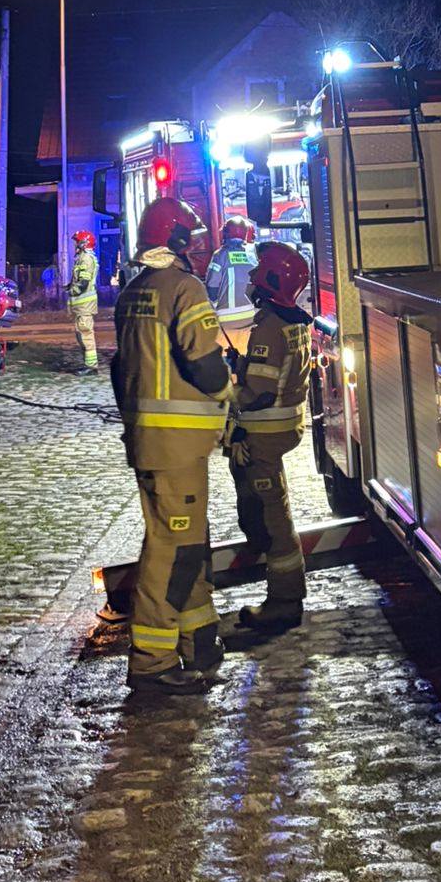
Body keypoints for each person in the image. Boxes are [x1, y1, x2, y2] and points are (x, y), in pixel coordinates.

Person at [110, 196, 231, 693]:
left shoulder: (132, 292)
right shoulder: (184, 288)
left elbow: (120, 370)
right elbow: (205, 366)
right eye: (192, 238)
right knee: (174, 551)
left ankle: (199, 640)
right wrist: (230, 389)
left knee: (187, 544)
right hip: (177, 445)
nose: (198, 247)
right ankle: (152, 663)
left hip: (150, 441)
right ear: (176, 241)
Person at [226, 240, 313, 639]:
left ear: (270, 279)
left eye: (257, 271)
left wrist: (228, 397)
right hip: (283, 428)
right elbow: (275, 374)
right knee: (267, 512)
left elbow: (259, 392)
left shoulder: (269, 326)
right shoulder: (294, 322)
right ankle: (280, 590)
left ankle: (284, 601)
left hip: (264, 434)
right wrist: (242, 364)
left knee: (275, 520)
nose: (251, 277)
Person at [204, 216, 258, 330]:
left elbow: (212, 285)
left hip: (226, 319)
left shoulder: (220, 255)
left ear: (226, 233)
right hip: (250, 316)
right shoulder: (252, 256)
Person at [68, 229, 100, 372]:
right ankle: (89, 364)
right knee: (81, 334)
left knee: (86, 334)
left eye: (77, 242)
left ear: (84, 243)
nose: (76, 245)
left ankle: (91, 367)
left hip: (85, 305)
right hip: (82, 307)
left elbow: (84, 282)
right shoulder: (83, 257)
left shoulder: (86, 258)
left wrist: (72, 290)